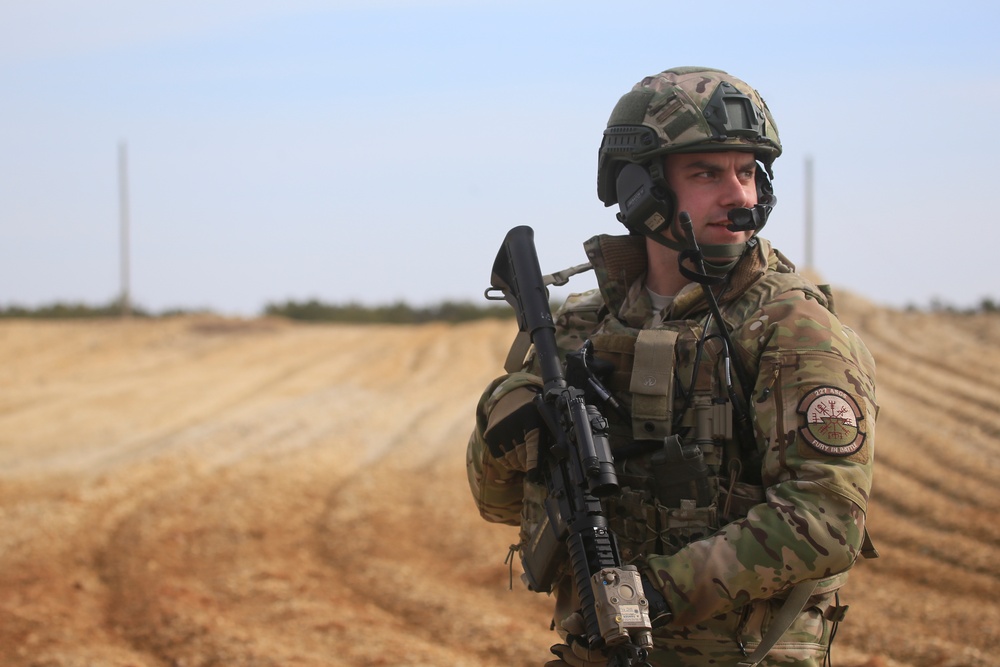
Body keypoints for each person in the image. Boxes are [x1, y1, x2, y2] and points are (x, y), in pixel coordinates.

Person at [467, 66, 878, 667]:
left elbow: (827, 518)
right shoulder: (582, 327)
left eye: (746, 172)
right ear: (643, 189)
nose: (739, 195)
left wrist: (653, 592)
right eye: (707, 173)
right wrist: (509, 417)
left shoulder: (790, 326)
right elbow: (498, 504)